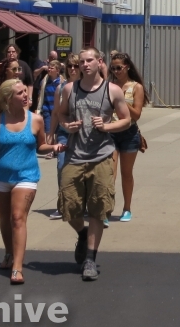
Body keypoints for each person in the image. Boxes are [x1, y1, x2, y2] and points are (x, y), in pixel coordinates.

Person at [0, 80, 64, 285]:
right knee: (5, 218)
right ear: (8, 98)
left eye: (25, 91)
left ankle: (17, 267)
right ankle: (9, 253)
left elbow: (41, 146)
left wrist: (53, 147)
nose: (26, 95)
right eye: (20, 93)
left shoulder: (36, 120)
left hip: (26, 176)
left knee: (18, 217)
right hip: (0, 177)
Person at [50, 48, 132, 281]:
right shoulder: (70, 89)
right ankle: (82, 233)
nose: (84, 65)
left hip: (101, 156)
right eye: (82, 62)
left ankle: (90, 259)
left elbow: (127, 119)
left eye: (89, 61)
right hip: (74, 156)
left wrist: (106, 127)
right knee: (68, 207)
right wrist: (67, 125)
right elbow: (61, 113)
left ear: (99, 62)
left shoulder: (112, 90)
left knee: (98, 209)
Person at [0, 59, 27, 221]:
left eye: (18, 68)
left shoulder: (20, 86)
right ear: (6, 70)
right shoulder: (1, 85)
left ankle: (14, 201)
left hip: (16, 129)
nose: (17, 72)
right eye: (14, 69)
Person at [108, 52, 148, 222]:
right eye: (113, 68)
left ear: (127, 67)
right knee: (109, 173)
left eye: (119, 68)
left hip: (129, 133)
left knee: (126, 173)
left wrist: (121, 100)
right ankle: (106, 209)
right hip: (110, 132)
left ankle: (127, 208)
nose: (116, 71)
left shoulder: (136, 87)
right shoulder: (109, 85)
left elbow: (137, 115)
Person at [49, 54, 80, 220]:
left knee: (82, 170)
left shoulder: (88, 86)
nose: (73, 69)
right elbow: (55, 112)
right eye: (70, 66)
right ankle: (62, 205)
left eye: (76, 66)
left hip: (82, 135)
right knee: (62, 166)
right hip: (63, 134)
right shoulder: (61, 88)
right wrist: (50, 133)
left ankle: (80, 204)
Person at [37, 59, 62, 156]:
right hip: (47, 108)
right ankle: (50, 150)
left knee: (58, 130)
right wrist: (39, 109)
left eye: (52, 68)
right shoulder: (44, 81)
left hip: (58, 110)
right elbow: (40, 95)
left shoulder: (61, 82)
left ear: (57, 70)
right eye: (49, 68)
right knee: (48, 130)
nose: (49, 69)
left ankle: (57, 148)